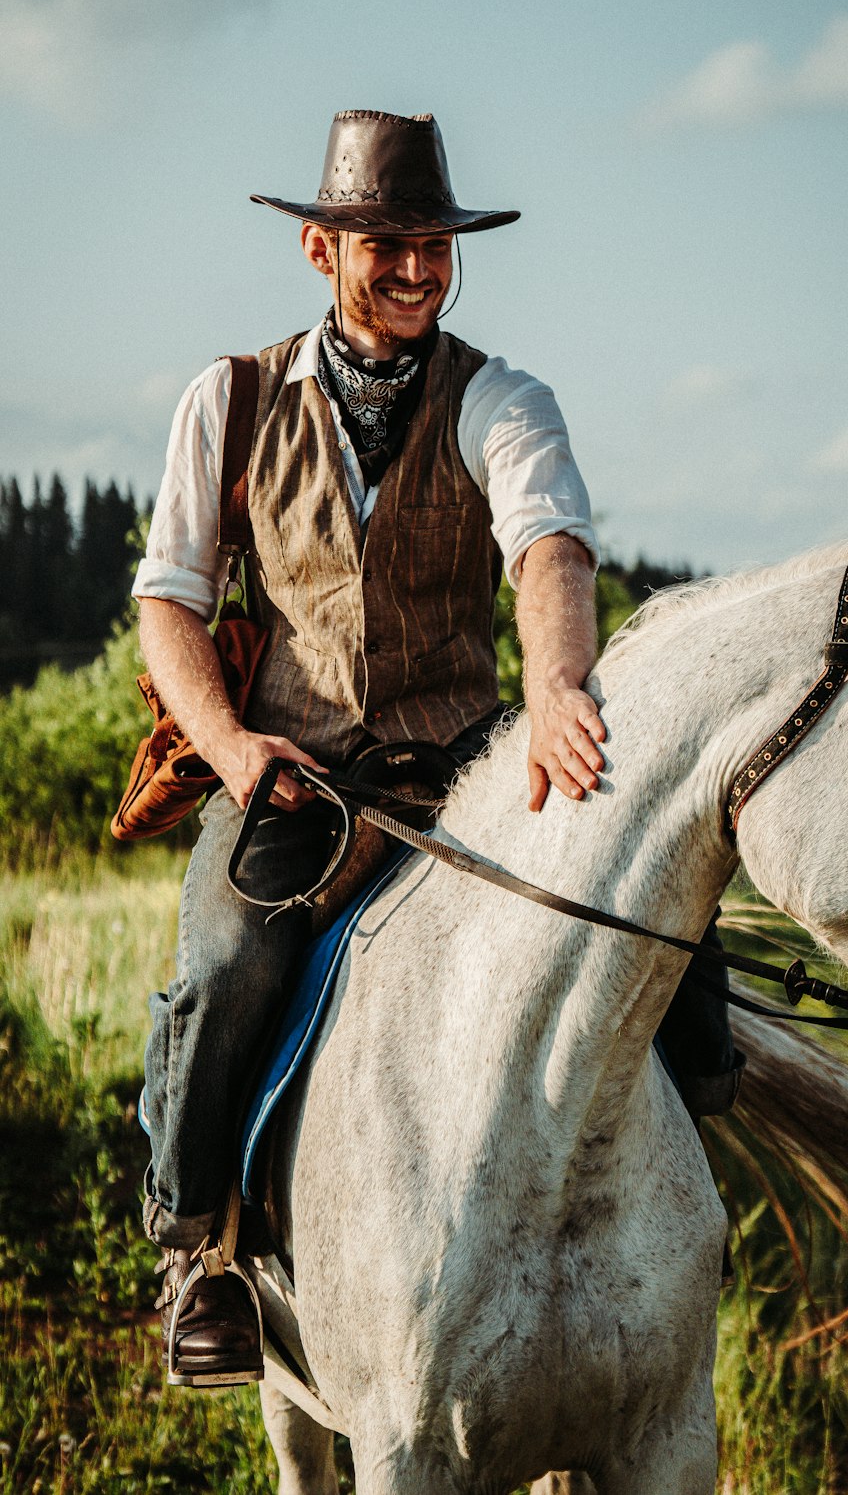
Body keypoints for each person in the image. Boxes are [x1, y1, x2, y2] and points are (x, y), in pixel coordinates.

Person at [132, 109, 738, 1388]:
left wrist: (561, 683)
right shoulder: (230, 399)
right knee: (231, 965)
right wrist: (233, 745)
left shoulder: (498, 397)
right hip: (292, 774)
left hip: (462, 758)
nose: (417, 269)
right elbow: (170, 602)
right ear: (320, 248)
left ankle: (693, 1200)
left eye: (435, 246)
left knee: (664, 920)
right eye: (388, 244)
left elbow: (548, 547)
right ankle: (200, 1252)